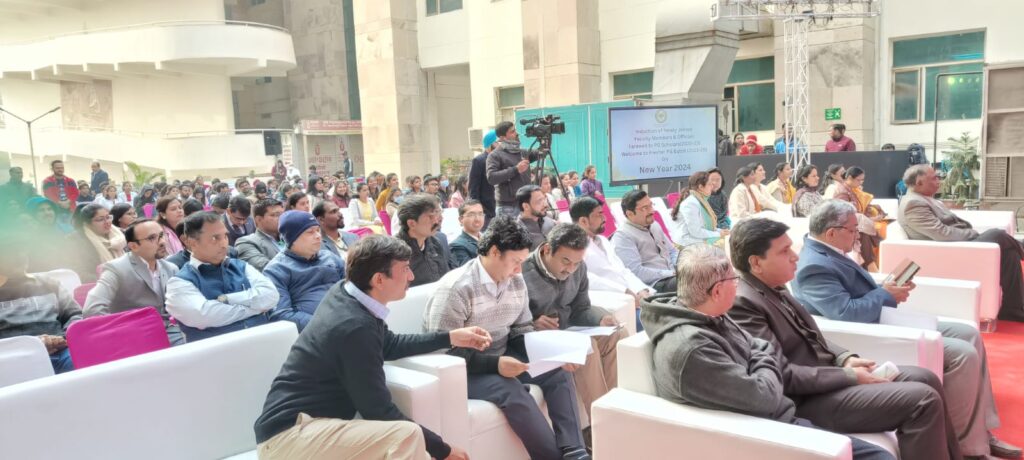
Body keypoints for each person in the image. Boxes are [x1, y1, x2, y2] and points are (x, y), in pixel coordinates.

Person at [794, 201, 1020, 459]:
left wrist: (886, 289)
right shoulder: (814, 266)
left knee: (969, 334)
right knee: (962, 354)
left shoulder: (830, 250)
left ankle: (980, 431)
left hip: (882, 318)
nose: (858, 235)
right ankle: (967, 444)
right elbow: (846, 312)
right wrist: (885, 294)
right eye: (853, 230)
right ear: (831, 233)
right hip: (872, 331)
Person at [727, 217, 962, 460]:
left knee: (925, 377)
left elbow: (808, 335)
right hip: (806, 400)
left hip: (828, 377)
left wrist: (844, 357)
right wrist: (849, 376)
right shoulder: (743, 303)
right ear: (756, 263)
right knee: (922, 401)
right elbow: (779, 374)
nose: (795, 257)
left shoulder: (772, 286)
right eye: (784, 251)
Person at [642, 244, 893, 460]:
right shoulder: (692, 348)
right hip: (766, 434)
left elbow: (758, 347)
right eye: (734, 280)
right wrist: (763, 358)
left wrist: (759, 358)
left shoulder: (708, 313)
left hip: (778, 416)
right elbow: (766, 396)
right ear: (717, 291)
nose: (737, 286)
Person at [254, 236, 486, 460]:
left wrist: (450, 338)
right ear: (379, 280)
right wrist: (443, 449)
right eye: (405, 269)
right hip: (289, 438)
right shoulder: (354, 326)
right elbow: (378, 410)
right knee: (407, 436)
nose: (412, 276)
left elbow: (389, 344)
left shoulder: (346, 294)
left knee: (415, 447)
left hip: (307, 429)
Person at [424, 216, 591, 460]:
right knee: (511, 391)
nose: (519, 270)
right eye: (516, 262)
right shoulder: (456, 289)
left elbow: (522, 329)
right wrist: (496, 365)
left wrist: (551, 354)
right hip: (464, 370)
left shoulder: (515, 281)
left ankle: (574, 451)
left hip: (501, 356)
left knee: (558, 371)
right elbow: (444, 353)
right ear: (494, 252)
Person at [521, 223, 623, 423]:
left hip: (566, 332)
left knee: (616, 335)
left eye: (576, 263)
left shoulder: (578, 267)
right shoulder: (522, 271)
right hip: (532, 340)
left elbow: (581, 308)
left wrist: (600, 319)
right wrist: (533, 323)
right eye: (566, 261)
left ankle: (614, 411)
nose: (571, 269)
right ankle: (602, 424)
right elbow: (510, 321)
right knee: (586, 347)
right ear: (547, 249)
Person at [899, 165, 1024, 322]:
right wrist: (974, 235)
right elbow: (942, 233)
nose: (939, 181)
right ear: (919, 182)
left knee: (1010, 255)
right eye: (934, 178)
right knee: (997, 234)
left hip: (960, 245)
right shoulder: (913, 204)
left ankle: (1013, 310)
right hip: (951, 252)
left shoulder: (926, 199)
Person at [165, 212, 278, 341]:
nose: (224, 244)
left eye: (225, 236)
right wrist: (256, 308)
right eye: (215, 238)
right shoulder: (179, 283)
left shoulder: (241, 266)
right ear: (192, 242)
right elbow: (205, 316)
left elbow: (272, 295)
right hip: (217, 351)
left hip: (263, 342)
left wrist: (226, 299)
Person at [83, 219, 186, 345]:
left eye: (161, 235)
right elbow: (92, 308)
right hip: (133, 337)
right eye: (152, 238)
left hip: (171, 331)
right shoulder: (116, 269)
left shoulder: (170, 268)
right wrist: (117, 335)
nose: (162, 242)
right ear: (133, 246)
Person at [0, 232, 81, 374]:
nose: (20, 256)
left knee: (86, 364)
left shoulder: (49, 283)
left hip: (62, 350)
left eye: (22, 250)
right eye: (10, 253)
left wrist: (63, 338)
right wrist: (34, 344)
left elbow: (74, 314)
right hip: (14, 359)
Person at [571, 197, 652, 330]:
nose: (605, 218)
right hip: (612, 302)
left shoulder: (602, 240)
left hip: (632, 295)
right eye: (599, 214)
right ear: (583, 221)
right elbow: (587, 279)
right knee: (654, 321)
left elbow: (622, 270)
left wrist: (641, 290)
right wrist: (625, 291)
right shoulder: (573, 247)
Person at [262, 211, 346, 331]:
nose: (318, 236)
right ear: (292, 238)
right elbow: (281, 314)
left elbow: (352, 289)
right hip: (316, 332)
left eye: (318, 230)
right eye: (310, 232)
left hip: (347, 318)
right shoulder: (276, 270)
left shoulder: (330, 257)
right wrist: (325, 326)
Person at [611, 190, 678, 294]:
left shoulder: (654, 225)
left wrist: (681, 267)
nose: (652, 211)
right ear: (630, 214)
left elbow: (672, 251)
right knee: (693, 282)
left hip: (672, 275)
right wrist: (670, 273)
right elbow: (636, 272)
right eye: (645, 208)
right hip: (655, 284)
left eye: (651, 205)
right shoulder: (623, 236)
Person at [486, 121, 544, 218]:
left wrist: (545, 138)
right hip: (508, 207)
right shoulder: (495, 155)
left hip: (525, 204)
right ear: (502, 137)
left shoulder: (522, 152)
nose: (516, 133)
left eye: (515, 130)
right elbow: (491, 177)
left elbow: (541, 153)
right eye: (512, 132)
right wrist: (516, 169)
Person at [396, 194, 450, 287]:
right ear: (412, 223)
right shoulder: (395, 252)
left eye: (438, 213)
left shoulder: (436, 243)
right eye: (431, 216)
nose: (438, 220)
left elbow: (445, 277)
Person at [67, 204, 127, 283]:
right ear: (87, 223)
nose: (107, 222)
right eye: (100, 219)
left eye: (108, 217)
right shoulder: (75, 241)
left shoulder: (120, 235)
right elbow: (79, 272)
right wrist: (109, 280)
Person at [669, 171, 729, 247]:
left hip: (697, 239)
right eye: (709, 184)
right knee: (727, 244)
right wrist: (719, 234)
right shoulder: (691, 203)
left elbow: (706, 227)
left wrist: (721, 231)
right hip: (687, 243)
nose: (712, 186)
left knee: (728, 239)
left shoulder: (701, 200)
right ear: (701, 187)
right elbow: (696, 231)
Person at [235, 199, 284, 272]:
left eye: (283, 214)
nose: (282, 218)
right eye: (276, 215)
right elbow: (268, 269)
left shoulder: (289, 236)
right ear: (259, 219)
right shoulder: (246, 242)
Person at [469, 128, 499, 225]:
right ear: (491, 144)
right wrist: (478, 210)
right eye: (498, 142)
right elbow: (473, 188)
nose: (501, 145)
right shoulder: (479, 161)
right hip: (487, 211)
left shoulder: (502, 159)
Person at [516, 185, 554, 250]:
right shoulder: (518, 232)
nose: (546, 205)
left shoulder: (549, 220)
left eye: (544, 199)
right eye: (539, 201)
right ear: (526, 206)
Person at [449, 199, 485, 268]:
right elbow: (470, 271)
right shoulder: (457, 245)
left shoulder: (489, 238)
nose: (477, 219)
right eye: (471, 215)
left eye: (480, 214)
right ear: (461, 219)